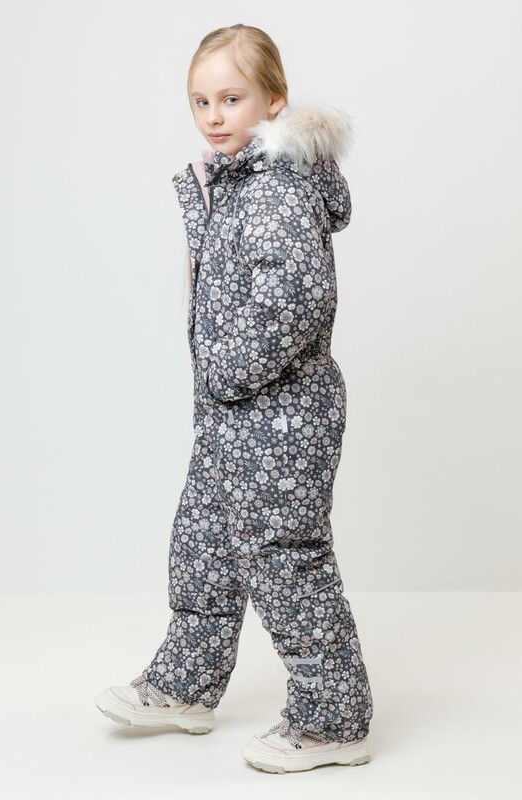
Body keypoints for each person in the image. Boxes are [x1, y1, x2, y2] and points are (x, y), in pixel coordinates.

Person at [95, 23, 374, 774]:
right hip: (233, 415)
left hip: (284, 418)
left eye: (231, 98)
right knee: (204, 546)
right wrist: (222, 389)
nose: (214, 116)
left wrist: (225, 372)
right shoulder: (234, 182)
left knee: (286, 561)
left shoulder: (277, 187)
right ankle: (186, 686)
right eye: (200, 101)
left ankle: (334, 720)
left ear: (274, 101)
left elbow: (298, 300)